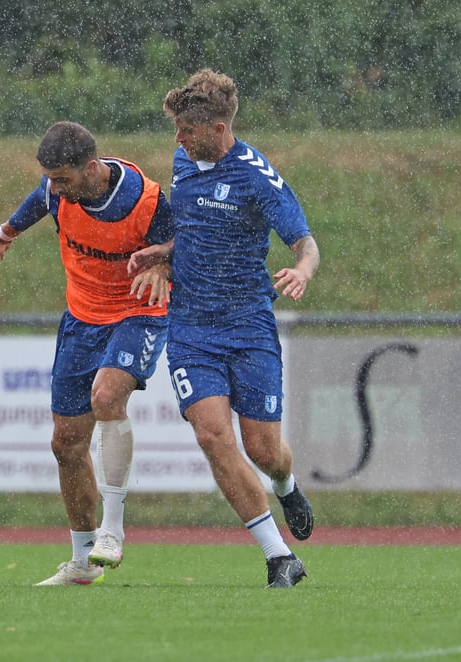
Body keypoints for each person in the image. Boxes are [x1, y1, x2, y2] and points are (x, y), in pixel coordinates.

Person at [129, 69, 319, 588]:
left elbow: (305, 243)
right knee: (212, 435)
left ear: (217, 128)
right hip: (191, 328)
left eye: (186, 130)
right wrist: (164, 254)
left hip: (248, 325)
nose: (178, 139)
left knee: (263, 450)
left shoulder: (256, 177)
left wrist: (302, 270)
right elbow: (193, 229)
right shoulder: (184, 162)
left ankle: (286, 483)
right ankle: (279, 556)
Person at [0, 121, 174, 586]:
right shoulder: (56, 192)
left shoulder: (145, 200)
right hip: (81, 319)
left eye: (62, 178)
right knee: (65, 444)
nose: (54, 188)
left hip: (137, 313)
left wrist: (165, 262)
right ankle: (84, 563)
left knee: (106, 397)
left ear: (91, 168)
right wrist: (5, 234)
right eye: (49, 178)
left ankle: (113, 530)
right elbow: (37, 201)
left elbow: (185, 241)